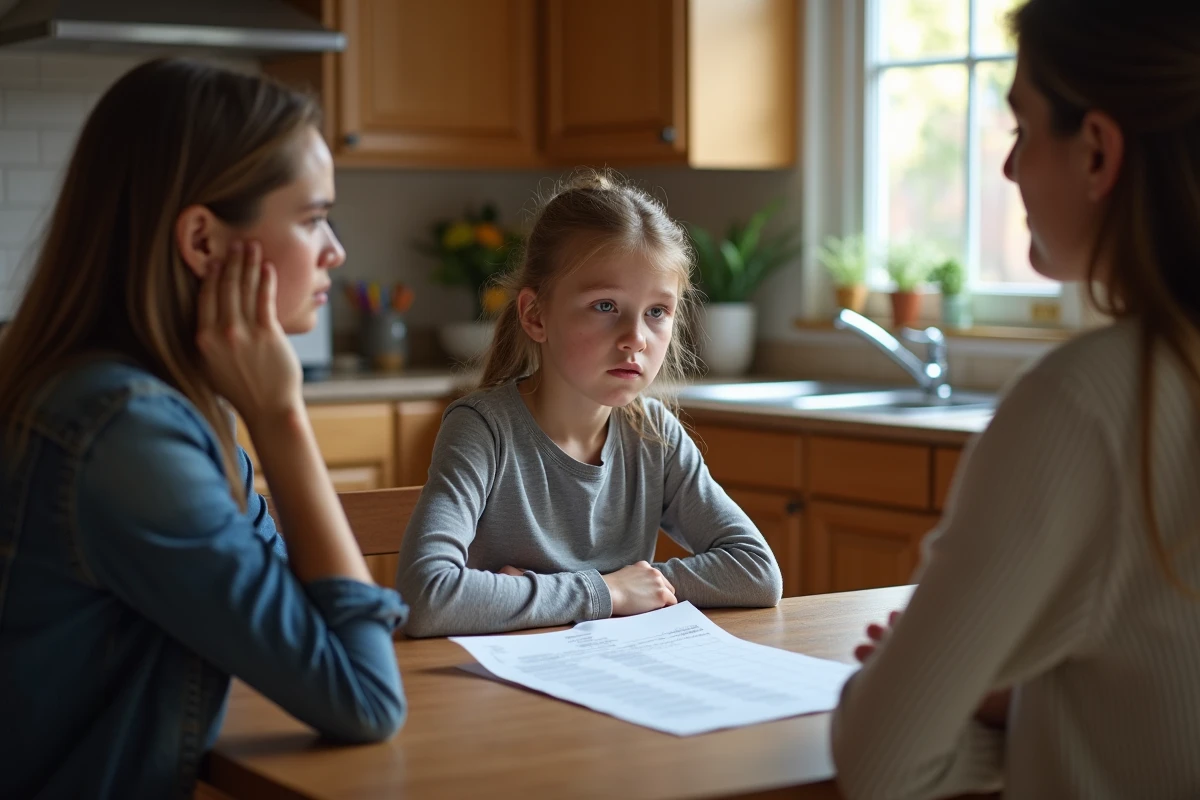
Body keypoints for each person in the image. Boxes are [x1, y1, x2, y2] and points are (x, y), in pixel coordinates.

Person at [0, 59, 408, 800]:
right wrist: (282, 418)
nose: (335, 253)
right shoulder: (127, 434)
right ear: (204, 242)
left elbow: (290, 618)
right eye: (313, 217)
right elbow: (364, 698)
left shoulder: (159, 404)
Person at [831, 2, 1200, 798]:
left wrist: (1021, 728)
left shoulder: (1086, 409)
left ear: (1097, 151)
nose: (1009, 169)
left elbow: (883, 763)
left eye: (1023, 131)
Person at [397, 171, 783, 637]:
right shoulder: (483, 430)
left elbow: (758, 571)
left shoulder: (654, 435)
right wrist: (611, 592)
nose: (635, 339)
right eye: (605, 306)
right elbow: (426, 596)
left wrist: (635, 586)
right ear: (535, 315)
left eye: (657, 312)